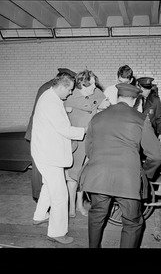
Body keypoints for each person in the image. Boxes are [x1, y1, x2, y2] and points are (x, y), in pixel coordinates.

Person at [79, 83, 161, 248]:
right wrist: (146, 173)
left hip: (98, 177)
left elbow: (89, 149)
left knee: (96, 216)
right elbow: (156, 155)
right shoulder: (140, 119)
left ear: (117, 97)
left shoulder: (97, 117)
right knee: (132, 222)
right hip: (127, 180)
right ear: (135, 100)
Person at [31, 72, 86, 244]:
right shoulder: (52, 103)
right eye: (69, 90)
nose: (70, 93)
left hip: (45, 151)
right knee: (60, 195)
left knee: (48, 186)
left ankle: (39, 215)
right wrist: (85, 130)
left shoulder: (49, 96)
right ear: (61, 86)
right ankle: (56, 232)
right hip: (49, 155)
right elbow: (66, 130)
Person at [24, 68, 77, 203]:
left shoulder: (50, 87)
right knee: (38, 170)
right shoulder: (48, 89)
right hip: (39, 133)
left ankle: (43, 200)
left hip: (43, 130)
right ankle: (37, 195)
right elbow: (46, 110)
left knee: (46, 173)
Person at [64, 69, 110, 217]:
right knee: (72, 176)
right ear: (83, 84)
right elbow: (89, 106)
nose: (95, 87)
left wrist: (97, 104)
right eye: (92, 85)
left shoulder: (95, 93)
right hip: (75, 142)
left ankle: (79, 204)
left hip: (91, 141)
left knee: (84, 175)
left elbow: (106, 103)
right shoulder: (71, 97)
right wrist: (96, 104)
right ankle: (71, 207)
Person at [134, 77, 161, 144]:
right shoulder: (133, 99)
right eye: (145, 89)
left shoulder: (155, 100)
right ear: (139, 87)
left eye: (149, 89)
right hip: (135, 136)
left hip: (149, 136)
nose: (148, 91)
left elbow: (160, 118)